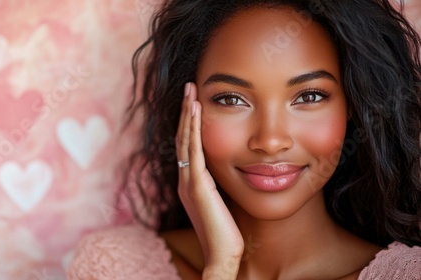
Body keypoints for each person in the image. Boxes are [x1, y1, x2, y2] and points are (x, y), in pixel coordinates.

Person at [67, 0, 421, 279]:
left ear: (352, 105)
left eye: (309, 96)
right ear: (188, 109)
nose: (270, 140)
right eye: (231, 99)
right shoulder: (113, 267)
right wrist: (221, 268)